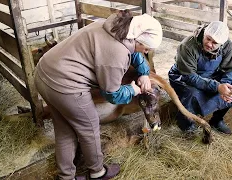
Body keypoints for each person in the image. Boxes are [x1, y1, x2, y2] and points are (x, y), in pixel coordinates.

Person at [34, 10, 162, 180]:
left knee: (64, 129)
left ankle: (66, 177)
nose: (146, 51)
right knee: (89, 127)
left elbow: (135, 52)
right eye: (147, 48)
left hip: (44, 73)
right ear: (138, 38)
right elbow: (112, 93)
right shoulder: (116, 53)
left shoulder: (116, 26)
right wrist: (133, 90)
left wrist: (144, 72)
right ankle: (97, 172)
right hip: (65, 85)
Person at [168, 21, 232, 135]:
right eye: (208, 38)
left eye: (214, 43)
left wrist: (226, 84)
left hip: (209, 74)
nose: (209, 44)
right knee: (192, 94)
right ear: (205, 32)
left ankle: (217, 120)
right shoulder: (187, 46)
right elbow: (190, 77)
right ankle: (187, 125)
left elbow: (230, 69)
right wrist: (217, 86)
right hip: (184, 76)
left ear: (221, 44)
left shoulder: (227, 45)